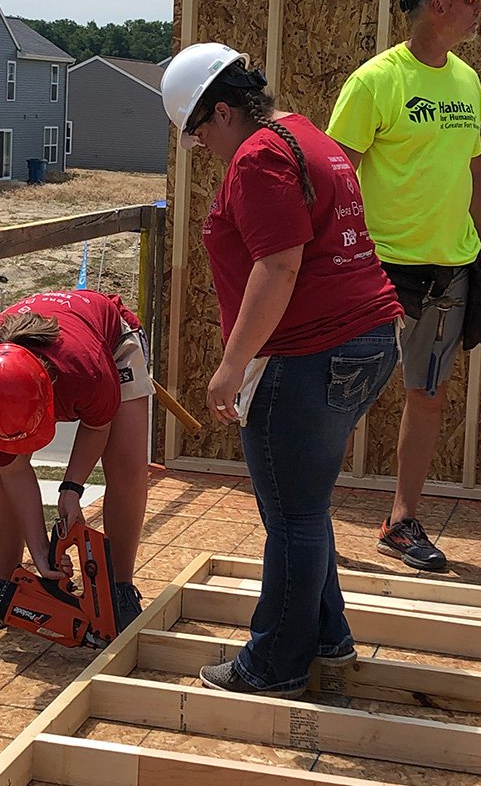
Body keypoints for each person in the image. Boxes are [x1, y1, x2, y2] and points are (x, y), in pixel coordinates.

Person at [160, 43, 403, 697]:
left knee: (292, 514)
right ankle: (327, 634)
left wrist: (231, 364)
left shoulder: (259, 156)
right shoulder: (305, 135)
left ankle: (274, 665)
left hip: (311, 354)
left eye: (199, 132)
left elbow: (279, 265)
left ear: (220, 111)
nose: (203, 146)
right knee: (306, 502)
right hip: (368, 341)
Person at [327, 0, 481, 572]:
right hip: (380, 272)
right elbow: (336, 179)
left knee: (426, 394)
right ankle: (307, 517)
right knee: (343, 394)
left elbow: (473, 168)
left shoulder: (465, 81)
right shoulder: (375, 82)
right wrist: (332, 263)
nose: (479, 10)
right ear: (438, 3)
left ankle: (402, 520)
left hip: (449, 271)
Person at [0, 290, 154, 633]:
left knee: (128, 466)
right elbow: (12, 469)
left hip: (111, 341)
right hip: (52, 346)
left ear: (49, 393)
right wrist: (41, 553)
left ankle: (121, 589)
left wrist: (71, 489)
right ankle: (10, 582)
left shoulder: (86, 371)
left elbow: (97, 427)